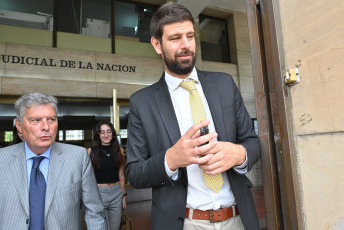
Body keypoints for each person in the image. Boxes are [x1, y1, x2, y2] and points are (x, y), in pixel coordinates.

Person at [125, 2, 261, 230]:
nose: (186, 45)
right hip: (185, 223)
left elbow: (253, 142)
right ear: (157, 45)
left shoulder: (224, 84)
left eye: (190, 36)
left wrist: (239, 153)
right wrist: (171, 159)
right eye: (175, 38)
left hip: (238, 219)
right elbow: (134, 173)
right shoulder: (142, 102)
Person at [0, 92, 107, 230]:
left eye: (51, 119)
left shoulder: (78, 157)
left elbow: (94, 212)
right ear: (19, 126)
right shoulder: (2, 159)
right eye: (36, 120)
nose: (46, 127)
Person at [87, 120, 127, 230]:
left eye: (109, 131)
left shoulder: (119, 150)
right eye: (102, 132)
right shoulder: (91, 152)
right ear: (98, 135)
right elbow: (86, 178)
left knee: (115, 227)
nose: (106, 135)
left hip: (116, 193)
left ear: (112, 133)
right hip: (99, 193)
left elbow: (121, 174)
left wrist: (123, 196)